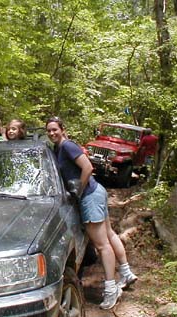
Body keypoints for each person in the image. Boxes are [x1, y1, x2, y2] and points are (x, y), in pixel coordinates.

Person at [45, 117, 137, 310]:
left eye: (55, 129)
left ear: (62, 129)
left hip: (90, 196)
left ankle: (111, 289)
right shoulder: (59, 148)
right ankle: (126, 273)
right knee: (109, 235)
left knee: (102, 245)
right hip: (96, 192)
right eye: (49, 131)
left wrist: (78, 191)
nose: (52, 133)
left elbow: (87, 167)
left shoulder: (68, 146)